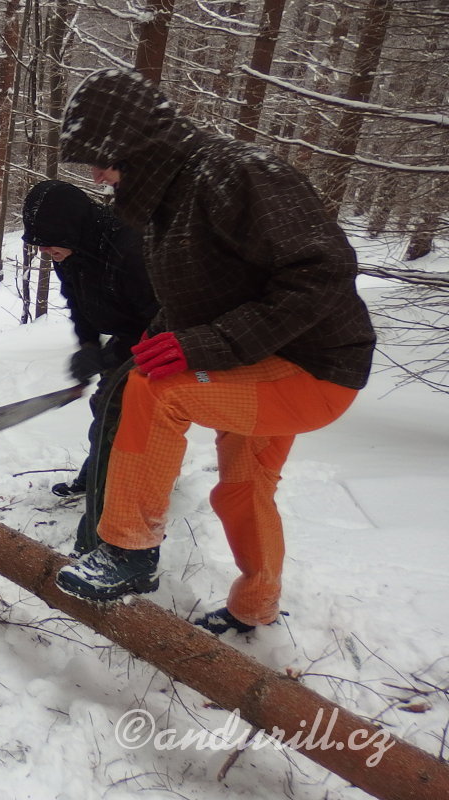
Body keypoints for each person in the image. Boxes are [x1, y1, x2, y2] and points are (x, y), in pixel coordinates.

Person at [52, 69, 375, 635]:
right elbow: (188, 303)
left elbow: (322, 273)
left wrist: (200, 346)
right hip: (258, 364)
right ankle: (256, 605)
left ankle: (128, 551)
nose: (98, 174)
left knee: (155, 394)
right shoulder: (168, 206)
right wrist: (140, 346)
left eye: (102, 158)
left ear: (140, 143)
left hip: (315, 366)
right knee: (244, 489)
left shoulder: (238, 174)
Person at [21, 180, 157, 504]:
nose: (44, 252)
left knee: (120, 410)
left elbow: (162, 319)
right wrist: (88, 346)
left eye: (49, 243)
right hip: (128, 334)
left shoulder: (131, 248)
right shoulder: (67, 250)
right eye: (39, 244)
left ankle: (111, 496)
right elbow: (77, 301)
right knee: (106, 404)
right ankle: (100, 474)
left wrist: (114, 356)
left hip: (163, 340)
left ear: (72, 229)